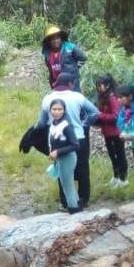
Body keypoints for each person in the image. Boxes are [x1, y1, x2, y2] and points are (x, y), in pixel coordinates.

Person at [36, 73, 99, 209]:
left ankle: (65, 201)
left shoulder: (48, 99)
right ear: (71, 83)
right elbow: (94, 112)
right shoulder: (77, 96)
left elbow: (41, 123)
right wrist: (83, 124)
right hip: (79, 138)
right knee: (82, 168)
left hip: (59, 141)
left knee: (62, 171)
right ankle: (83, 198)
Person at [47, 99, 82, 213]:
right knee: (69, 185)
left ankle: (74, 212)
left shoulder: (65, 125)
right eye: (54, 109)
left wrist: (58, 152)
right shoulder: (54, 123)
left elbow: (75, 145)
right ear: (50, 110)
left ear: (64, 110)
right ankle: (77, 207)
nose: (57, 112)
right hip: (61, 159)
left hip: (68, 158)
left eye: (60, 109)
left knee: (67, 187)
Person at [95, 74, 128, 187]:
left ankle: (123, 179)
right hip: (107, 132)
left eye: (100, 85)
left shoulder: (112, 98)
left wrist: (100, 115)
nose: (98, 87)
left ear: (108, 85)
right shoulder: (103, 96)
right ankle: (116, 176)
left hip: (116, 132)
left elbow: (115, 116)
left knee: (120, 155)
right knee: (112, 155)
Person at [41, 25, 87, 91]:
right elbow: (50, 71)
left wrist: (75, 69)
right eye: (53, 39)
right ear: (49, 41)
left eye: (57, 38)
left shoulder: (70, 47)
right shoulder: (47, 54)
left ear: (61, 38)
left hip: (72, 84)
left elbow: (83, 58)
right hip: (57, 85)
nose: (56, 41)